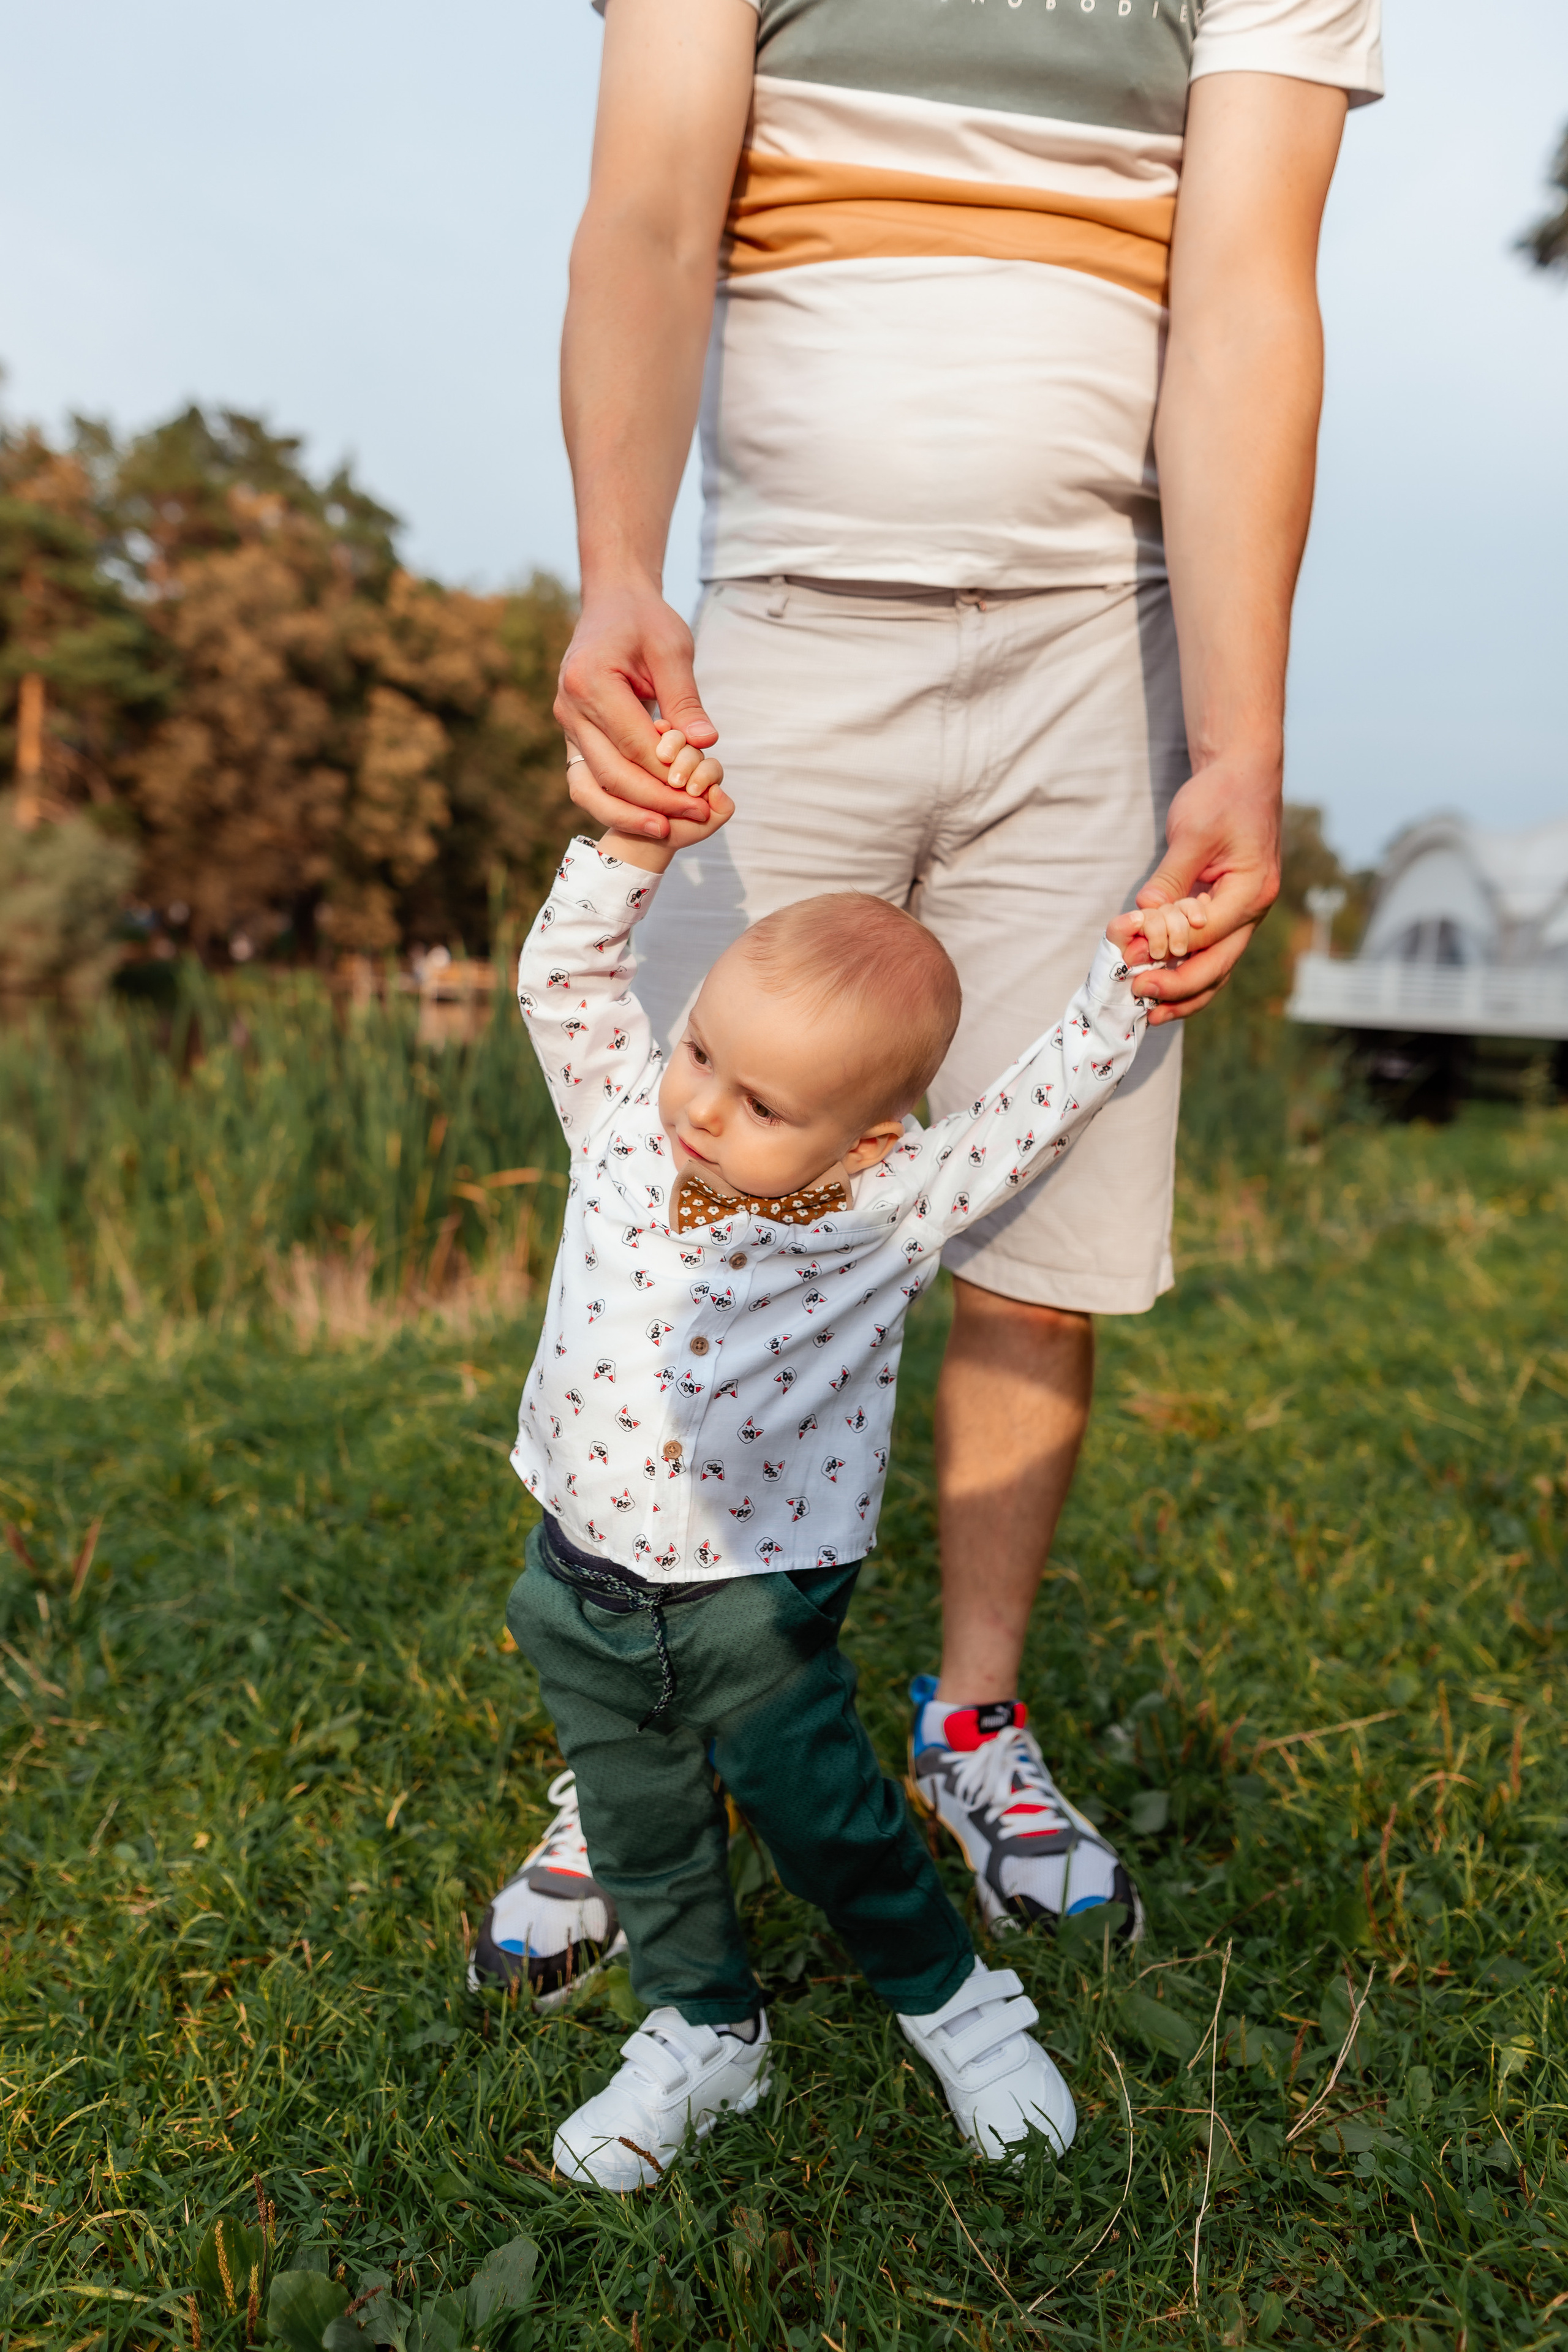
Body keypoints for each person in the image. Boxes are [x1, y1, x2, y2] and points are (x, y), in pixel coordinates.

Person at [469, 0, 1384, 1991]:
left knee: (1038, 1250)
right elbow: (647, 211)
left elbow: (1243, 293)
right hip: (788, 618)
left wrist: (1239, 739)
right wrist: (618, 565)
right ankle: (637, 1740)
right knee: (704, 1170)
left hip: (1109, 645)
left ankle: (971, 1721)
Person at [501, 778, 1206, 2187]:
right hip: (578, 1569)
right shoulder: (626, 1122)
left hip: (754, 1592)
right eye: (702, 1052)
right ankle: (705, 2026)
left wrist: (1118, 993)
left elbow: (1025, 1118)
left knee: (821, 1809)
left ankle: (952, 2000)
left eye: (760, 1103)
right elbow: (564, 977)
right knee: (640, 1813)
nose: (701, 1106)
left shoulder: (886, 1209)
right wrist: (633, 844)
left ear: (865, 1140)